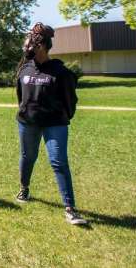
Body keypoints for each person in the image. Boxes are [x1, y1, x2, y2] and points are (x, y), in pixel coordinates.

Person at [15, 23, 88, 225]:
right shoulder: (24, 69)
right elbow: (20, 96)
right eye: (27, 42)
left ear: (43, 46)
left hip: (55, 123)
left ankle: (70, 208)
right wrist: (25, 112)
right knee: (27, 157)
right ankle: (24, 189)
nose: (27, 46)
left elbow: (70, 100)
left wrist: (63, 117)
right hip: (27, 123)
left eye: (31, 43)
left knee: (58, 161)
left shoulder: (60, 72)